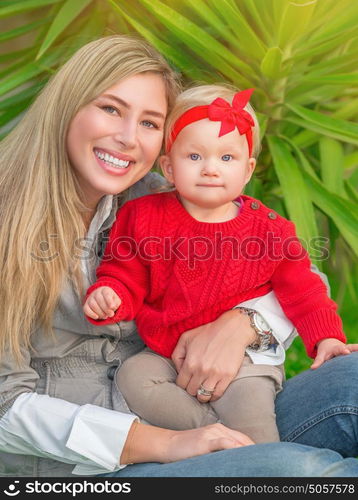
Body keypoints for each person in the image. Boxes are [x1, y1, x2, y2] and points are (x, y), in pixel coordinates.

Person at [0, 35, 358, 478]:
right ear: (68, 107)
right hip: (94, 464)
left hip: (203, 395)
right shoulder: (8, 221)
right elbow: (4, 408)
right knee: (298, 471)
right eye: (111, 108)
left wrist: (242, 324)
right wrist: (172, 443)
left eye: (150, 123)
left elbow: (304, 279)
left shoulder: (159, 196)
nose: (128, 138)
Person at [83, 84, 350, 444]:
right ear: (169, 167)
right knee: (133, 378)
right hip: (166, 353)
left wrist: (327, 336)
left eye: (227, 158)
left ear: (247, 170)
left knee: (249, 410)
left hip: (245, 360)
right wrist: (111, 294)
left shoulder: (269, 230)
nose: (210, 169)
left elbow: (304, 290)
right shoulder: (142, 217)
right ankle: (213, 435)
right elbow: (125, 273)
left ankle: (256, 455)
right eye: (194, 157)